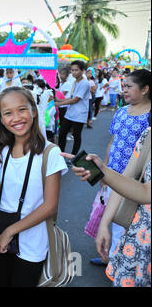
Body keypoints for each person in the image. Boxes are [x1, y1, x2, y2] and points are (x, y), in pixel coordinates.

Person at [0, 86, 67, 287]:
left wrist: (10, 231)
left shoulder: (50, 153)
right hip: (0, 236)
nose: (16, 118)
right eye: (8, 113)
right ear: (1, 119)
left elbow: (50, 206)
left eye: (22, 110)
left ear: (34, 111)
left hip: (32, 242)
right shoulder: (0, 152)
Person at [61, 124, 151, 287]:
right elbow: (126, 179)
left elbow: (147, 192)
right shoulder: (148, 134)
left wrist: (104, 171)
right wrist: (104, 224)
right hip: (139, 237)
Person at [92, 69, 151, 266]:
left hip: (135, 183)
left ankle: (116, 261)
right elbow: (112, 142)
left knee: (122, 222)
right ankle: (108, 256)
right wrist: (105, 170)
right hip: (113, 174)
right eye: (123, 86)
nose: (123, 90)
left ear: (145, 90)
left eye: (129, 87)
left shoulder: (148, 118)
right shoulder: (121, 112)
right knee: (106, 213)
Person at [56, 60, 91, 156]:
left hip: (79, 114)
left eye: (76, 70)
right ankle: (61, 154)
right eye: (72, 70)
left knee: (76, 135)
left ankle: (73, 156)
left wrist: (58, 104)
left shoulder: (85, 83)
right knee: (62, 133)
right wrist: (58, 100)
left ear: (82, 71)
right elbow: (71, 98)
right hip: (70, 113)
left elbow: (76, 100)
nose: (74, 72)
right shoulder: (75, 82)